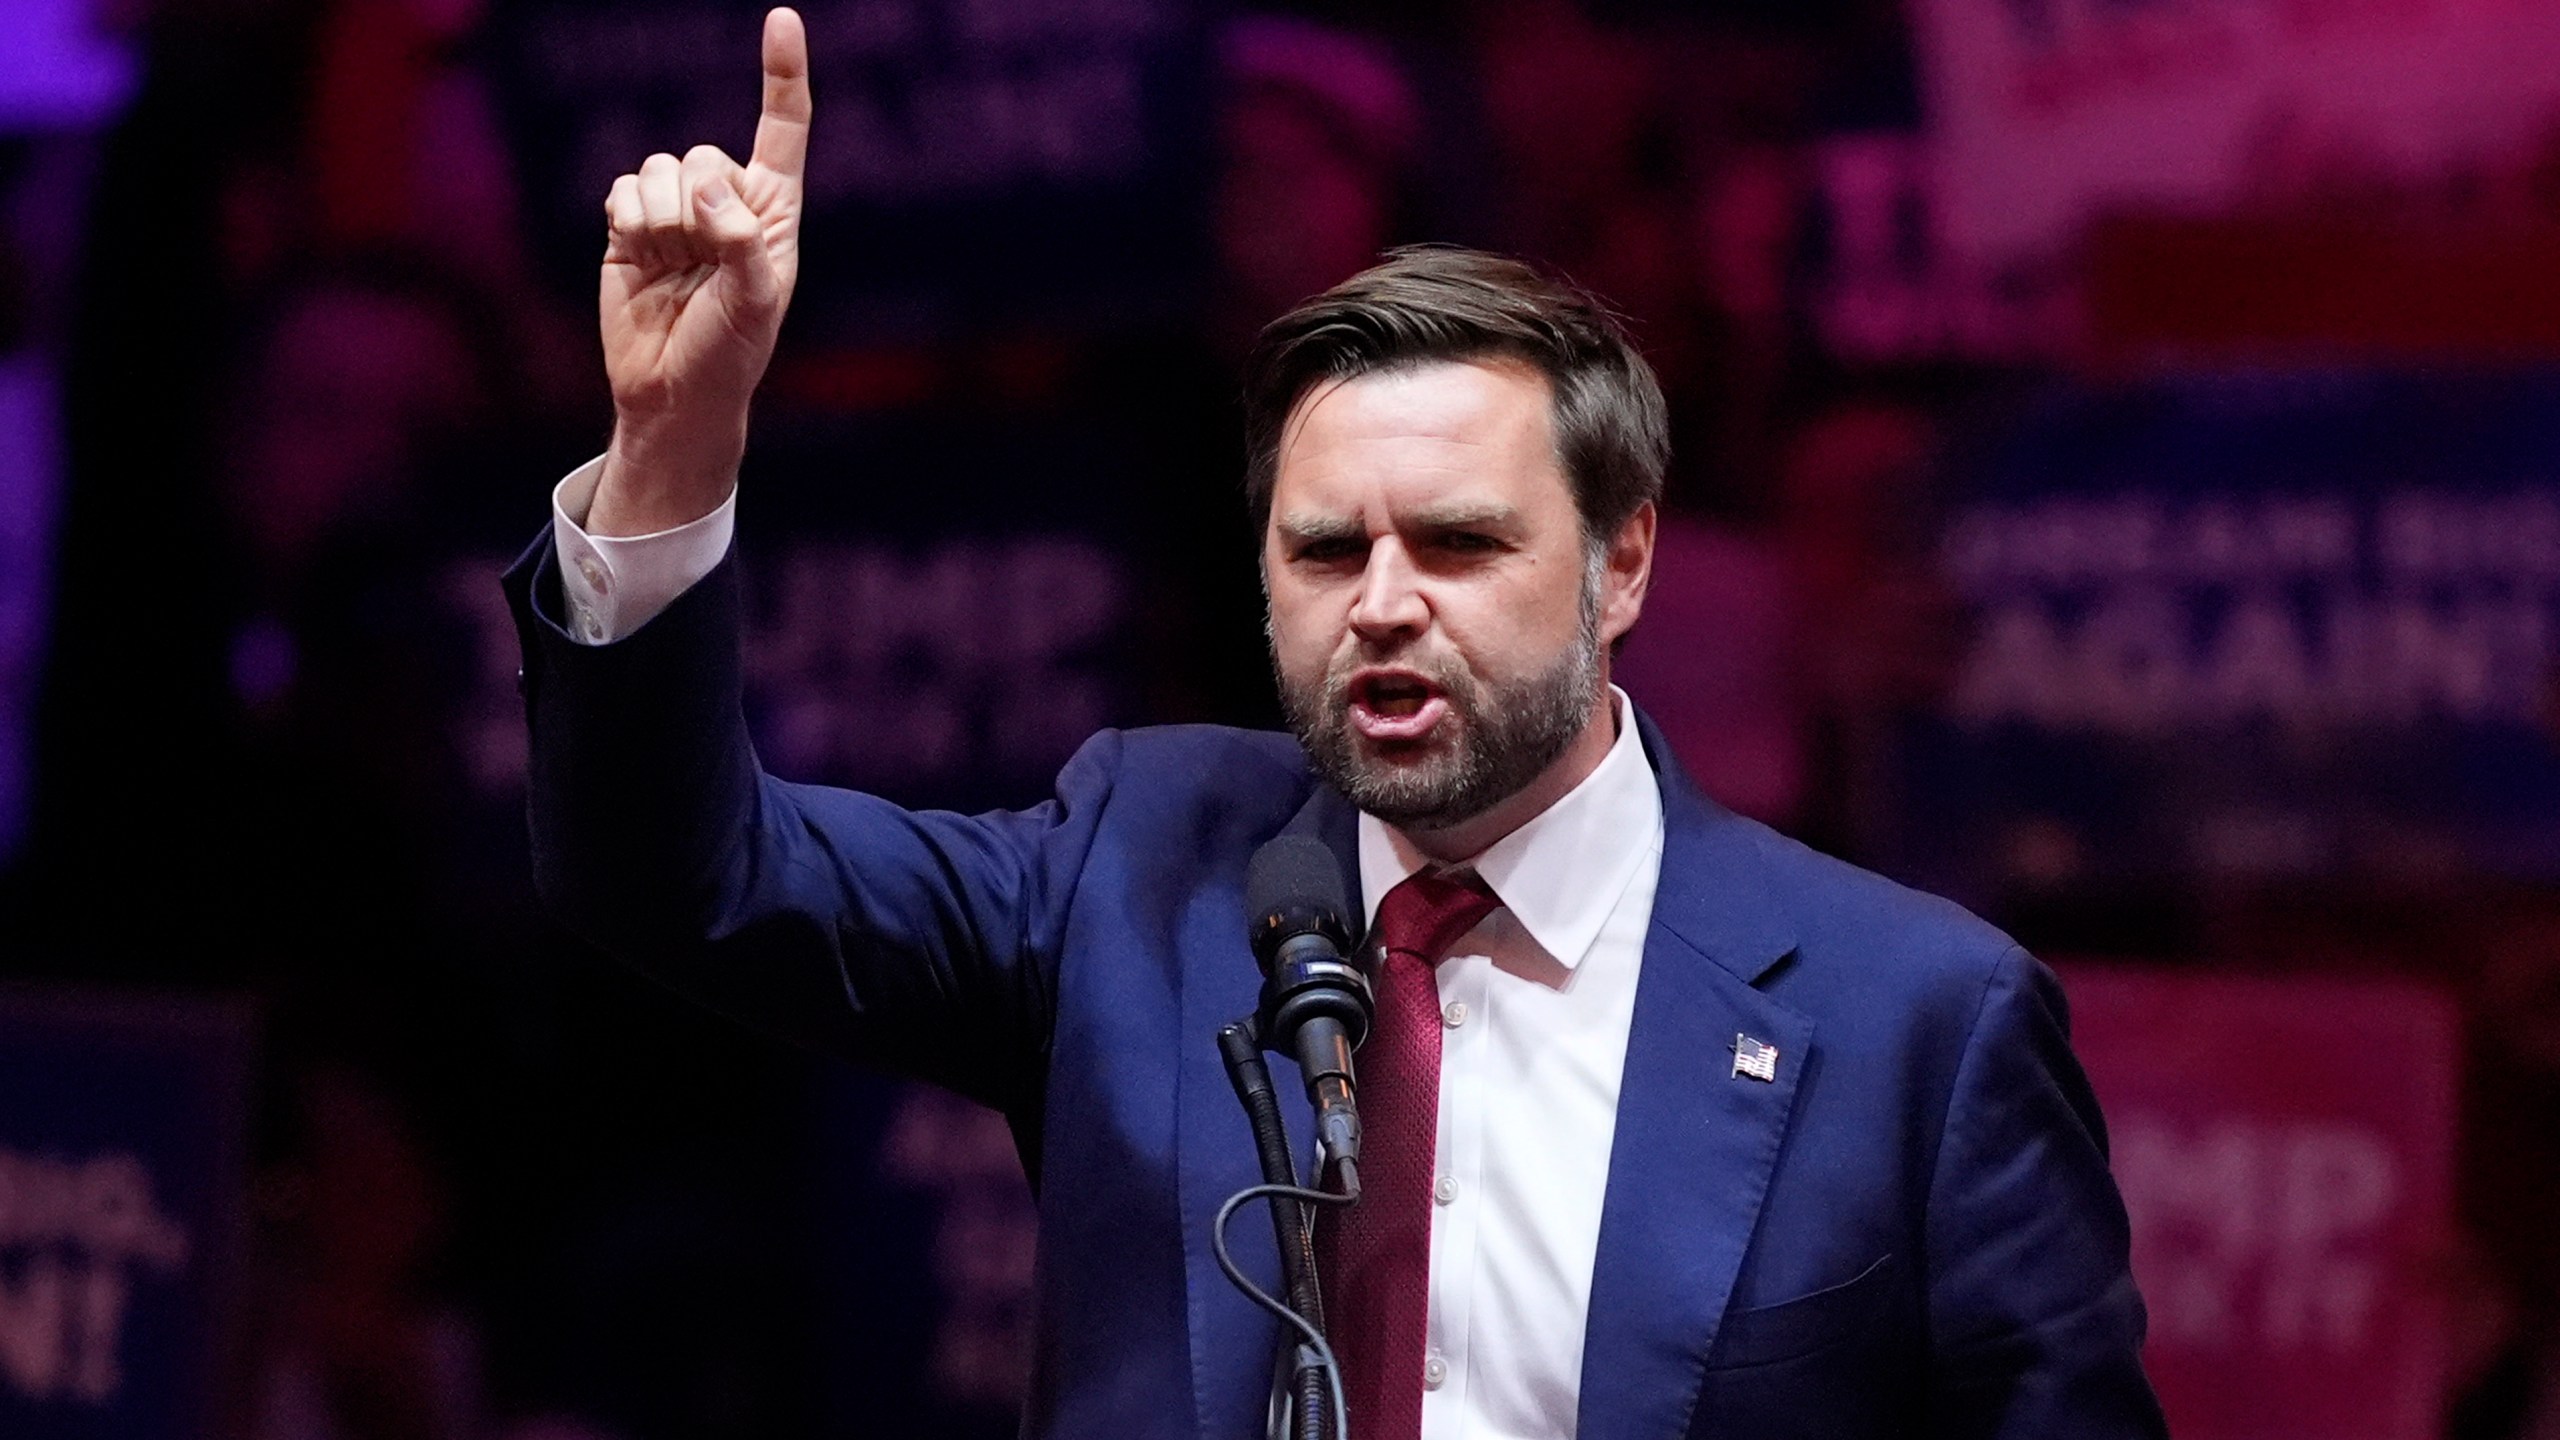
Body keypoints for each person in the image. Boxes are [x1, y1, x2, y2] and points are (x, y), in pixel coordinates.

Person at [502, 10, 2166, 1438]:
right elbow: (681, 878)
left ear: (1624, 561)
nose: (1380, 599)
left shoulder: (1919, 1023)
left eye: (1457, 541)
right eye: (1323, 549)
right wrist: (675, 444)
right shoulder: (1128, 875)